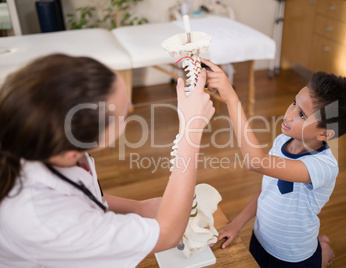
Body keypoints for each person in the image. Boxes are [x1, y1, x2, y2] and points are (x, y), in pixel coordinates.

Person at [0, 54, 215, 267]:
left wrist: (138, 207)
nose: (131, 115)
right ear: (72, 151)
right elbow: (167, 235)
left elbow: (83, 193)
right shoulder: (45, 220)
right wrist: (191, 132)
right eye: (124, 116)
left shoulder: (43, 141)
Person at [201, 58, 346, 268]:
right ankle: (321, 245)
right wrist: (236, 224)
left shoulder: (323, 167)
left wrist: (232, 99)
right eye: (294, 102)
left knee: (318, 260)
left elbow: (256, 162)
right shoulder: (282, 142)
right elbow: (267, 190)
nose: (288, 114)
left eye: (301, 114)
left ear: (325, 133)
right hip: (261, 240)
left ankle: (323, 250)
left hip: (294, 256)